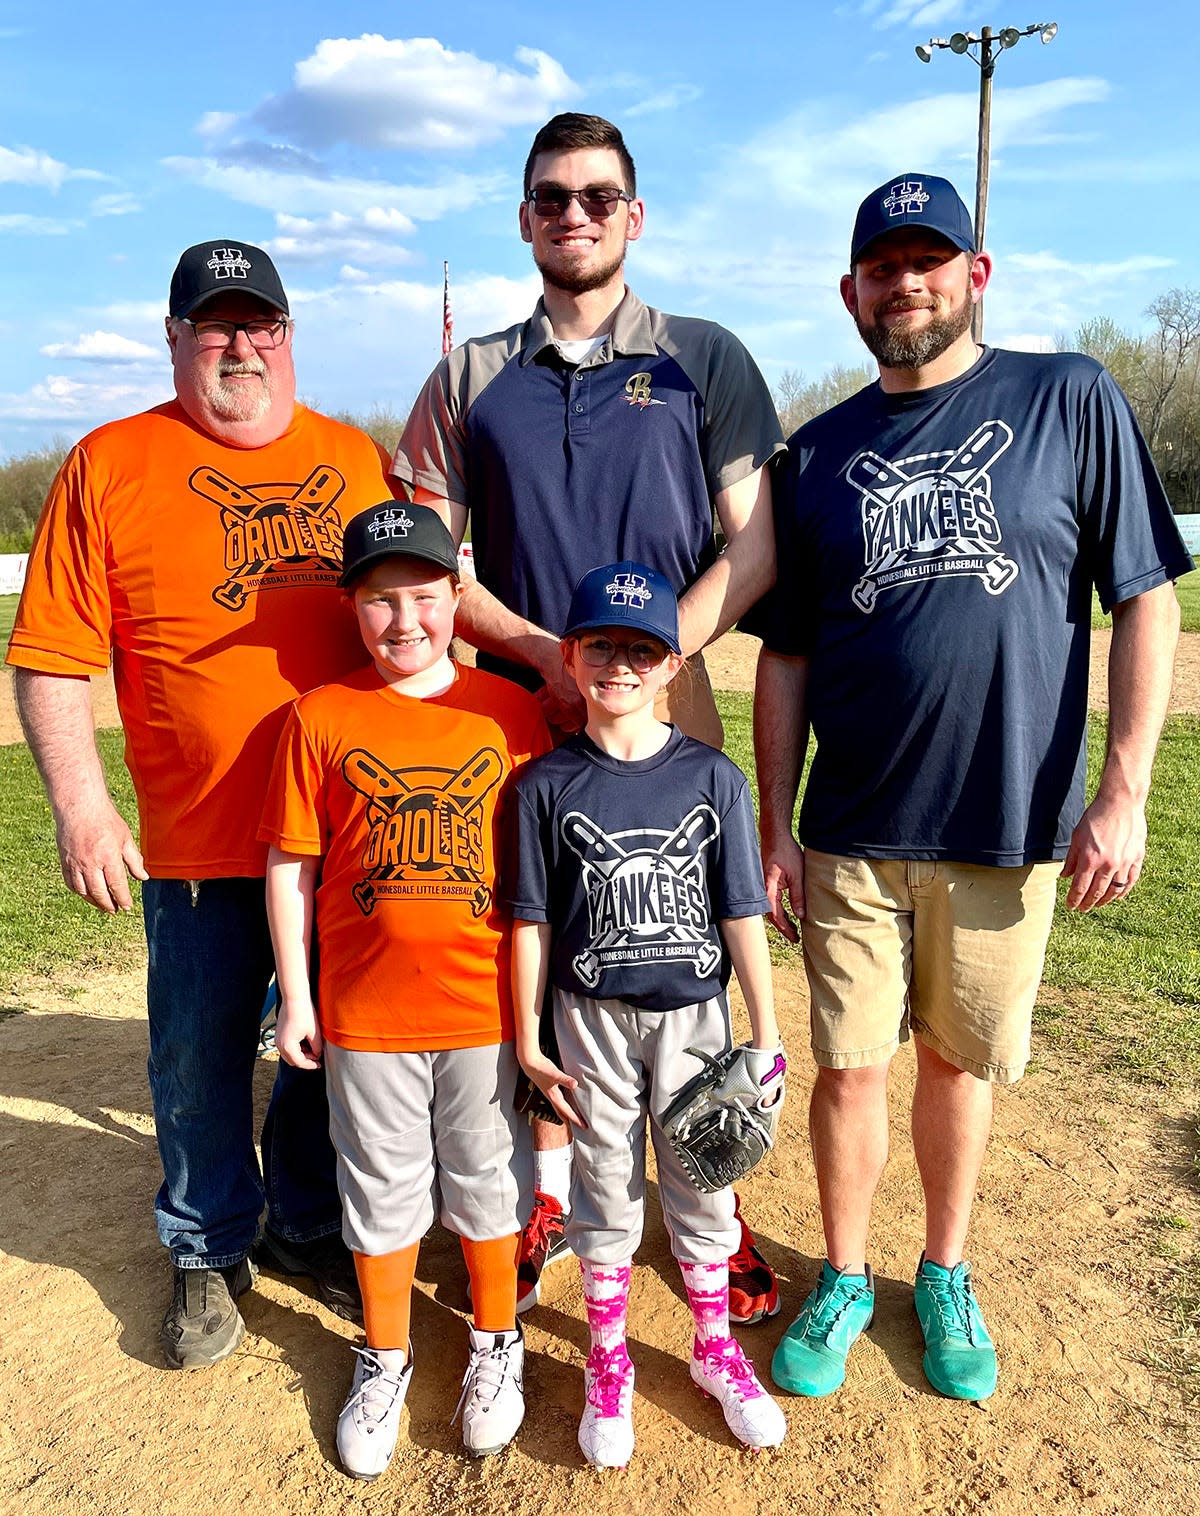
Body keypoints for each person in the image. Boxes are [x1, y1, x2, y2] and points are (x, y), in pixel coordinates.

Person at [751, 173, 1194, 1403]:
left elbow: (1144, 593)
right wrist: (776, 823)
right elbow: (784, 651)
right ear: (850, 293)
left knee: (959, 1061)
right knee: (848, 1066)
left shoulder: (1067, 397)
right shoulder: (819, 453)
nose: (907, 282)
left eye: (928, 259)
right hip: (850, 825)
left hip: (1005, 821)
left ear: (976, 273)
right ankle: (845, 1271)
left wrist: (1128, 789)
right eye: (882, 266)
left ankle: (942, 1268)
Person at [394, 111, 784, 1322]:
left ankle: (711, 1190)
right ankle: (550, 1192)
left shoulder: (702, 357)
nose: (575, 214)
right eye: (551, 197)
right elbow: (423, 557)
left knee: (684, 943)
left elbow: (755, 543)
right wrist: (541, 655)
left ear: (634, 214)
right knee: (535, 944)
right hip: (511, 714)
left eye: (597, 196)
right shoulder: (468, 376)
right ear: (524, 219)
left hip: (671, 699)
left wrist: (662, 653)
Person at [6, 240, 399, 1368]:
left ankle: (310, 1220)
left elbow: (423, 607)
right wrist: (83, 809)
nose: (240, 344)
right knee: (198, 1054)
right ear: (174, 338)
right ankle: (208, 1240)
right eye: (214, 325)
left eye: (258, 322)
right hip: (196, 841)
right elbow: (50, 656)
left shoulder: (354, 459)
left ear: (288, 333)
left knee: (335, 1050)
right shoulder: (109, 463)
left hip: (347, 833)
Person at [261, 503, 549, 1474]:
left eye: (423, 598)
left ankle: (495, 1341)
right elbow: (291, 865)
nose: (403, 622)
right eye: (379, 602)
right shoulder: (321, 716)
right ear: (353, 608)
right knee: (380, 1191)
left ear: (455, 601)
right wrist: (296, 998)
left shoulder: (507, 712)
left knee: (486, 1179)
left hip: (485, 1007)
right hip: (365, 1011)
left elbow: (545, 872)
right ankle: (385, 1352)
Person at [507, 561, 788, 1467]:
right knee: (604, 1188)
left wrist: (769, 1031)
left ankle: (712, 1349)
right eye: (601, 646)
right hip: (588, 1016)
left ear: (673, 665)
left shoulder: (711, 776)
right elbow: (531, 922)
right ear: (571, 655)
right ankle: (609, 1357)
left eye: (642, 649)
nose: (619, 665)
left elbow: (741, 909)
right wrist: (525, 1034)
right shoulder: (545, 786)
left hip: (695, 1017)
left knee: (704, 1180)